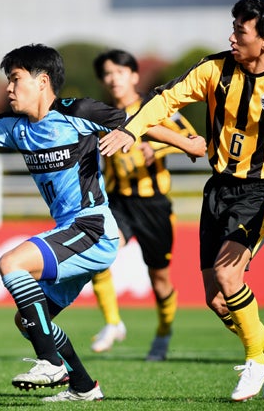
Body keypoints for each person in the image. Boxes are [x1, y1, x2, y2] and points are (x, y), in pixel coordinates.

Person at [0, 44, 206, 402]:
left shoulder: (79, 112)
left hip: (93, 227)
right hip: (71, 231)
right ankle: (83, 387)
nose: (9, 88)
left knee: (11, 263)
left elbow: (137, 123)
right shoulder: (13, 127)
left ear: (42, 81)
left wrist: (187, 144)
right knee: (28, 322)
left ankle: (51, 363)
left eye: (15, 79)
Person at [99, 0, 264, 402]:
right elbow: (166, 100)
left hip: (260, 193)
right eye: (233, 28)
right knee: (217, 300)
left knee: (228, 276)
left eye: (241, 31)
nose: (232, 37)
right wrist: (132, 129)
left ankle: (255, 359)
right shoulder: (214, 69)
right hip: (218, 188)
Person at [88, 49, 197, 359]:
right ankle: (113, 322)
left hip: (153, 206)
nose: (113, 79)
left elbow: (195, 143)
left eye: (120, 72)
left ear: (134, 76)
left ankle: (163, 333)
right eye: (108, 74)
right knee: (98, 252)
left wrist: (157, 149)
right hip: (118, 202)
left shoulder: (155, 108)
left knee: (160, 281)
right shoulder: (102, 114)